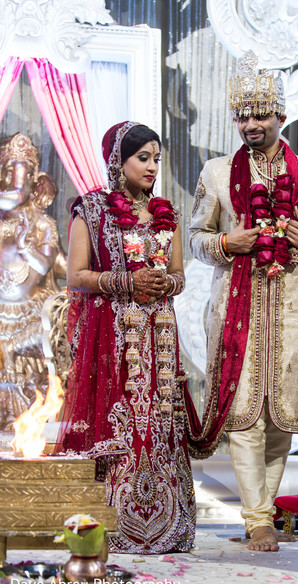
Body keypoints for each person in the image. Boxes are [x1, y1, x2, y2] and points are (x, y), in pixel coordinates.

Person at [189, 51, 298, 552]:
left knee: (281, 417)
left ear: (281, 117)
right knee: (244, 413)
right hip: (237, 306)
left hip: (294, 307)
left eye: (259, 115)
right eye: (241, 116)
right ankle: (256, 519)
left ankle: (264, 510)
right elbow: (195, 237)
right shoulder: (214, 174)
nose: (249, 124)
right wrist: (228, 243)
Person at [57, 121, 196, 554]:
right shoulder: (92, 210)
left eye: (157, 158)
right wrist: (126, 282)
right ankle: (110, 526)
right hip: (113, 340)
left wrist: (161, 286)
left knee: (159, 422)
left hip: (160, 339)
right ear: (119, 161)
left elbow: (179, 276)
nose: (153, 166)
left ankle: (168, 525)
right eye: (144, 158)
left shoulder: (165, 214)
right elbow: (75, 275)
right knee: (119, 421)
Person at [0, 132, 66, 428]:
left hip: (28, 317)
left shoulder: (42, 224)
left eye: (24, 177)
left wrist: (26, 246)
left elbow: (45, 265)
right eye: (10, 174)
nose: (16, 184)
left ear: (37, 184)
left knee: (30, 386)